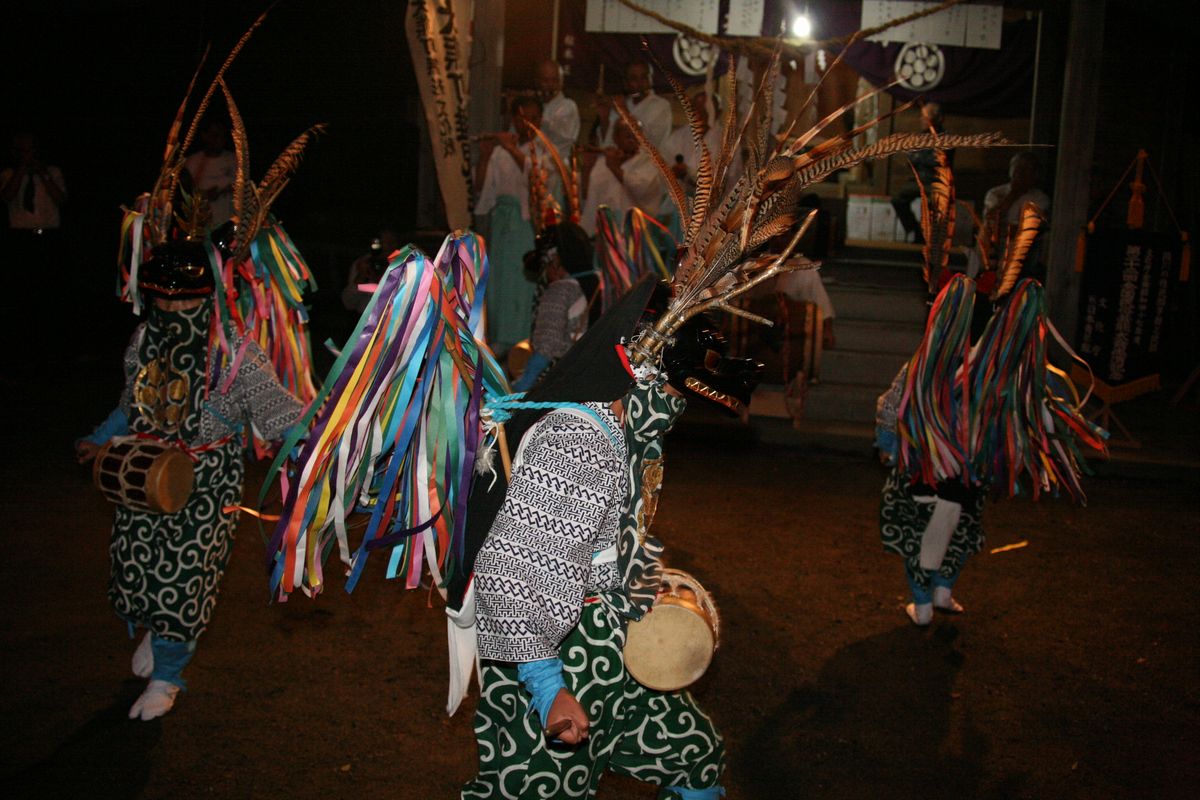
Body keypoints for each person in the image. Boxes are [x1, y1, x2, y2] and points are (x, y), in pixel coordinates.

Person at [462, 285, 745, 799]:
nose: (676, 407)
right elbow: (516, 567)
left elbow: (598, 543)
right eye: (677, 393)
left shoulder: (622, 431)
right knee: (540, 791)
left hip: (609, 644)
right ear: (648, 377)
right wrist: (548, 689)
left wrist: (637, 583)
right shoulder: (579, 442)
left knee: (693, 754)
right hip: (559, 659)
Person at [76, 239, 304, 720]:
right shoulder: (144, 340)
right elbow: (129, 402)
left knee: (183, 581)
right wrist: (101, 437)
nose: (173, 307)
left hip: (206, 486)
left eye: (185, 298)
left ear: (209, 297)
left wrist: (322, 443)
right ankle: (157, 634)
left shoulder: (235, 353)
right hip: (144, 478)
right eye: (163, 298)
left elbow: (278, 410)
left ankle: (168, 674)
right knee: (135, 570)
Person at [475, 95, 548, 354]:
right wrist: (484, 157)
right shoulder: (499, 150)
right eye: (521, 117)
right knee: (498, 280)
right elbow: (483, 191)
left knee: (522, 280)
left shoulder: (544, 150)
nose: (526, 123)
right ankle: (499, 338)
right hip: (503, 222)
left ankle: (522, 340)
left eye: (532, 117)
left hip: (527, 224)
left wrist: (511, 149)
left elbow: (537, 179)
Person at [512, 222, 590, 391]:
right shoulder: (599, 283)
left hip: (564, 379)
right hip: (591, 374)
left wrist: (523, 385)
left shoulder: (561, 290)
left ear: (556, 261)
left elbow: (548, 343)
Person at [968, 151, 1051, 284]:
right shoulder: (996, 193)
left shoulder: (1040, 198)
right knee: (985, 229)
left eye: (1026, 170)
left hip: (1022, 245)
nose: (1020, 174)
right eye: (1017, 168)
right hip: (995, 240)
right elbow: (991, 217)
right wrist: (1012, 195)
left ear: (1035, 175)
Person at [580, 119, 663, 236]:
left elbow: (641, 189)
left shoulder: (649, 162)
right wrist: (587, 167)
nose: (632, 139)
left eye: (636, 134)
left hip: (634, 235)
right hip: (603, 232)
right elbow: (588, 195)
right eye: (627, 135)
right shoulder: (602, 162)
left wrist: (614, 168)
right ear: (615, 138)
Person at [890, 102, 946, 244]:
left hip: (935, 181)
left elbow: (937, 161)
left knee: (932, 205)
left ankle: (930, 238)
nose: (922, 120)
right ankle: (914, 229)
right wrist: (915, 158)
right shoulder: (921, 137)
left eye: (926, 117)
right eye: (922, 117)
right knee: (898, 199)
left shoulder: (945, 138)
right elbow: (911, 158)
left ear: (937, 118)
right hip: (919, 179)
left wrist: (919, 157)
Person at [595, 62, 672, 151]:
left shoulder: (661, 106)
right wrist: (604, 118)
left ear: (651, 80)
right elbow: (607, 144)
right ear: (626, 83)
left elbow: (650, 144)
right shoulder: (622, 103)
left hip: (646, 163)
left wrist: (624, 111)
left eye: (644, 77)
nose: (640, 83)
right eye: (633, 78)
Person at [184, 117, 237, 227]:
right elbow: (185, 193)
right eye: (214, 135)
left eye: (222, 135)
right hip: (201, 225)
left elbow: (244, 188)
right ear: (205, 136)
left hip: (227, 224)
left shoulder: (234, 160)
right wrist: (204, 195)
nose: (218, 139)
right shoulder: (193, 162)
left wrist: (223, 190)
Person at [342, 229, 400, 313]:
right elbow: (348, 303)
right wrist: (361, 277)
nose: (387, 247)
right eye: (383, 242)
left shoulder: (406, 265)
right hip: (367, 320)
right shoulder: (364, 264)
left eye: (391, 242)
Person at [535, 59, 580, 161]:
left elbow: (562, 141)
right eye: (546, 80)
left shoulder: (568, 106)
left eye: (555, 80)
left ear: (561, 82)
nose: (550, 85)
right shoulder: (533, 104)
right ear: (537, 81)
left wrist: (536, 120)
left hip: (557, 165)